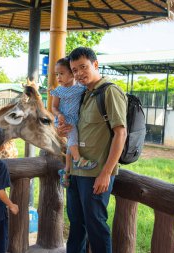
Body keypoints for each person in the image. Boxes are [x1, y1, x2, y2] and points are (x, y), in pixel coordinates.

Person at [64, 47, 128, 253]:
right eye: (74, 70)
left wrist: (106, 173)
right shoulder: (84, 95)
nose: (79, 73)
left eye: (83, 67)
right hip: (76, 171)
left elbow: (121, 134)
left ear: (95, 65)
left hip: (96, 174)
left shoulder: (110, 91)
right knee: (76, 226)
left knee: (96, 226)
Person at [50, 57, 98, 188]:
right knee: (73, 139)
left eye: (61, 73)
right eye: (57, 74)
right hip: (64, 120)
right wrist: (59, 114)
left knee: (72, 144)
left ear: (72, 74)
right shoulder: (58, 91)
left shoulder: (80, 88)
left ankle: (66, 170)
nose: (58, 77)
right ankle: (78, 160)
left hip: (75, 120)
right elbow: (53, 107)